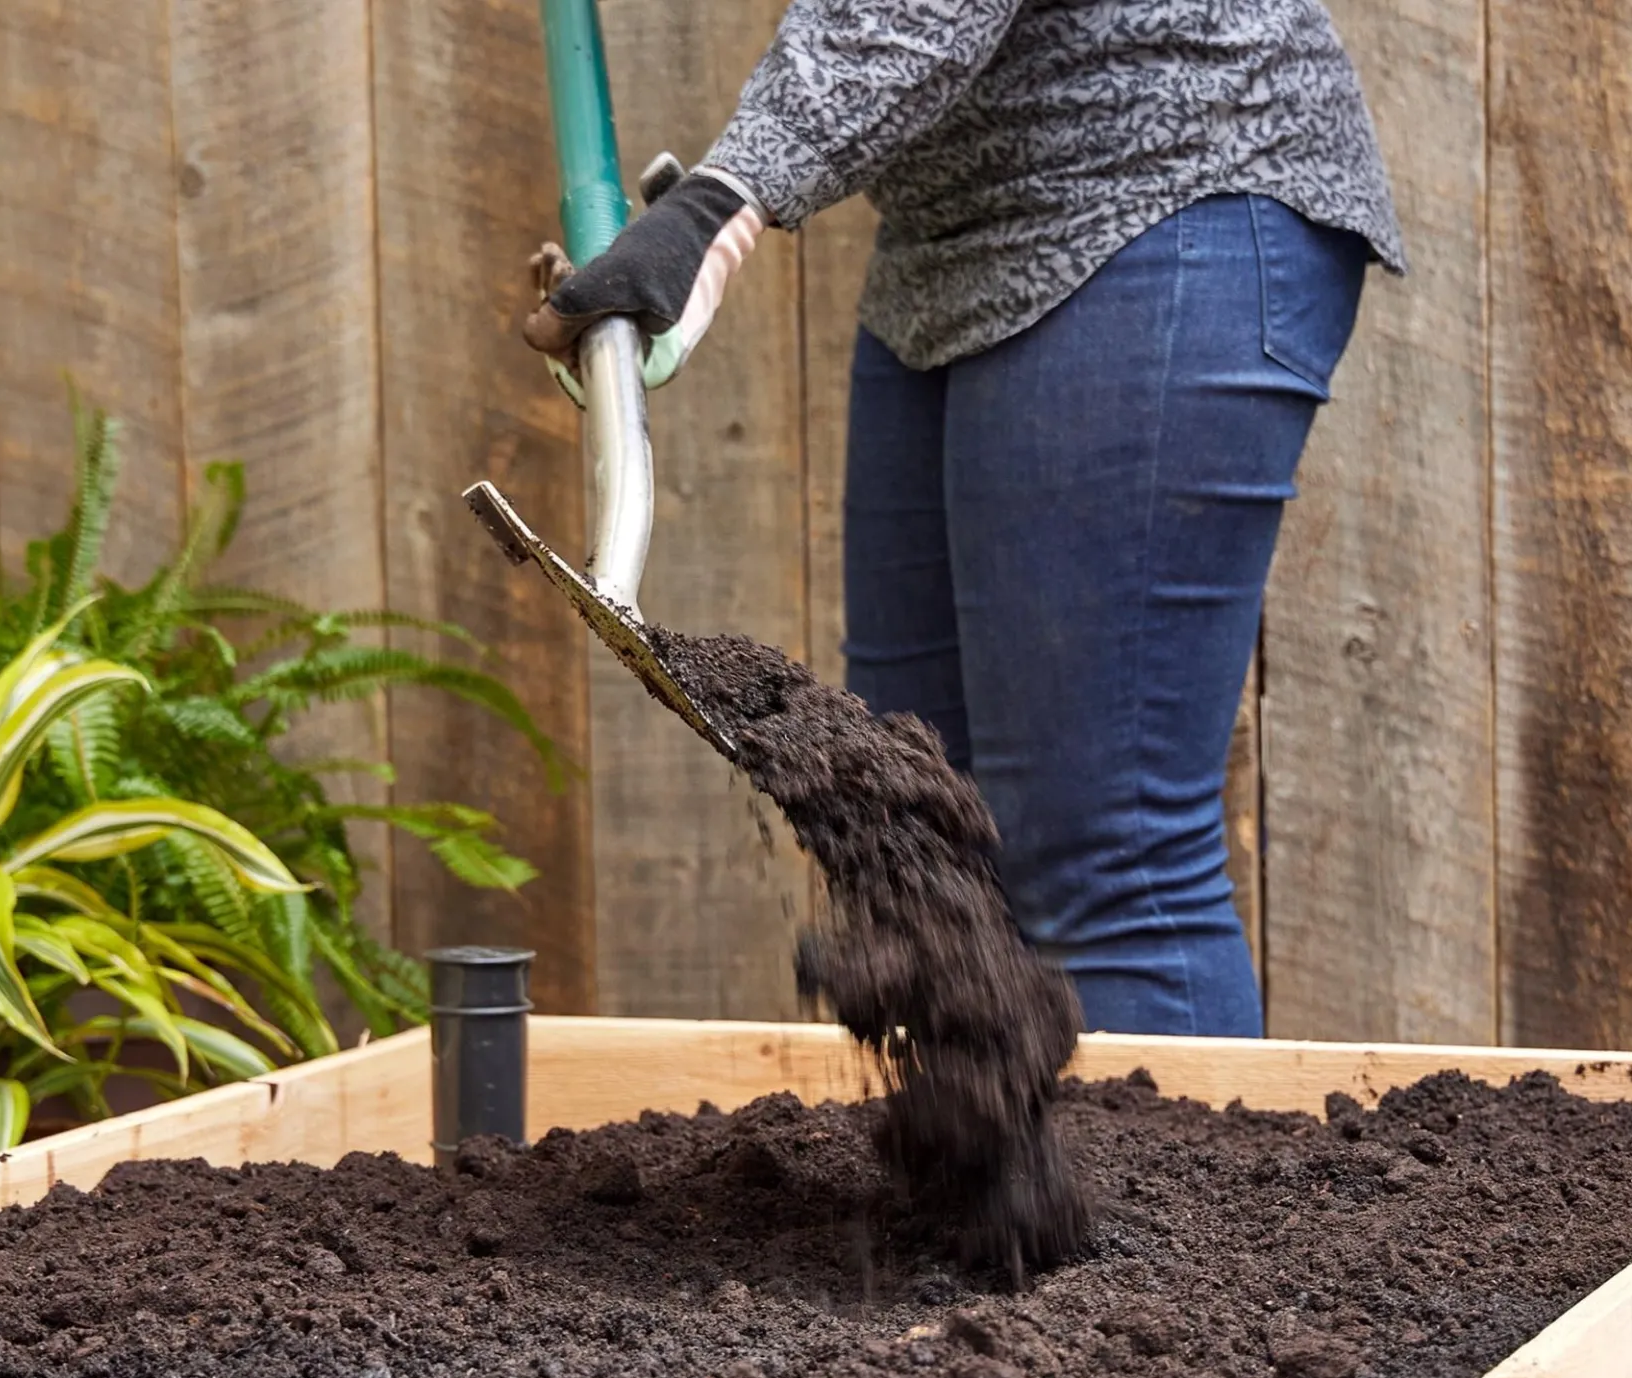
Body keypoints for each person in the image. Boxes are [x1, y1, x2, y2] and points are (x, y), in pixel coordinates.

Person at [524, 1, 1401, 1039]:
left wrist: (718, 205)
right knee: (915, 835)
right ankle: (971, 1151)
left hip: (1165, 180)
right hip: (946, 247)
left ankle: (1163, 1158)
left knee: (1102, 856)